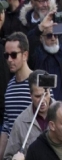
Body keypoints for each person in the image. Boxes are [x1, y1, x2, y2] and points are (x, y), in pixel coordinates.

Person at [4, 70, 52, 159]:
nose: (42, 100)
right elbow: (7, 157)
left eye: (45, 94)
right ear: (30, 95)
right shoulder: (20, 123)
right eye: (37, 96)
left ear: (50, 91)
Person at [0, 32, 33, 160]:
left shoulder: (38, 83)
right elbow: (6, 127)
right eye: (6, 55)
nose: (9, 60)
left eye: (13, 55)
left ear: (25, 55)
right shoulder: (10, 87)